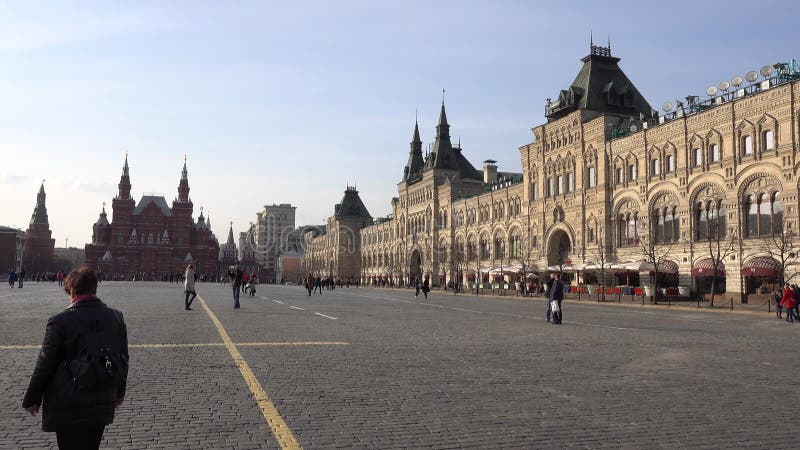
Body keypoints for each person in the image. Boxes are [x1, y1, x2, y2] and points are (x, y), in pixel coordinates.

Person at [22, 266, 128, 450]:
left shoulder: (60, 321)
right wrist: (119, 393)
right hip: (103, 398)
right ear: (95, 287)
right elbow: (122, 359)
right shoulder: (116, 317)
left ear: (71, 290)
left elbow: (45, 363)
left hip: (69, 402)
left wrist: (32, 398)